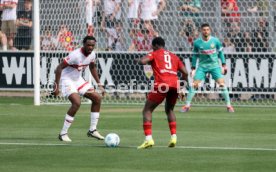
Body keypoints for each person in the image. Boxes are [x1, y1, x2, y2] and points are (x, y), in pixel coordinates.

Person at [135, 37, 188, 149]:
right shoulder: (174, 56)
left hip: (162, 84)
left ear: (155, 45)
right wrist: (182, 88)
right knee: (169, 110)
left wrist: (138, 60)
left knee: (147, 110)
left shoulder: (154, 53)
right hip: (175, 84)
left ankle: (148, 139)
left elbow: (143, 61)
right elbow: (185, 72)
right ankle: (174, 137)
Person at [53, 36, 105, 142]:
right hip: (67, 80)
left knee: (97, 98)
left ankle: (92, 130)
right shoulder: (75, 55)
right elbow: (58, 68)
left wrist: (99, 84)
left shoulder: (92, 54)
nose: (90, 47)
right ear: (83, 44)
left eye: (92, 45)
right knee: (76, 102)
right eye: (88, 45)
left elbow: (92, 67)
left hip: (78, 80)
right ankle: (63, 133)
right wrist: (56, 86)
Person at [180, 23, 235, 113]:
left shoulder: (215, 41)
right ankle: (187, 106)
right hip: (202, 66)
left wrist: (224, 64)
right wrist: (193, 68)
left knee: (222, 84)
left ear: (210, 30)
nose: (206, 31)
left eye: (207, 29)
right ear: (201, 31)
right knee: (194, 85)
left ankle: (229, 106)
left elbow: (220, 53)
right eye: (204, 30)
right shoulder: (197, 42)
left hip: (214, 66)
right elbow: (195, 56)